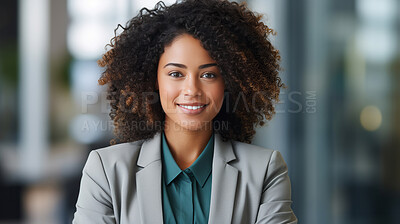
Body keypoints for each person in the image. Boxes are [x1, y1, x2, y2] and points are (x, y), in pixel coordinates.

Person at [72, 0, 297, 223]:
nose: (192, 90)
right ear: (153, 80)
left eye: (209, 75)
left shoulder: (265, 170)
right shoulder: (106, 170)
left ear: (228, 82)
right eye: (176, 74)